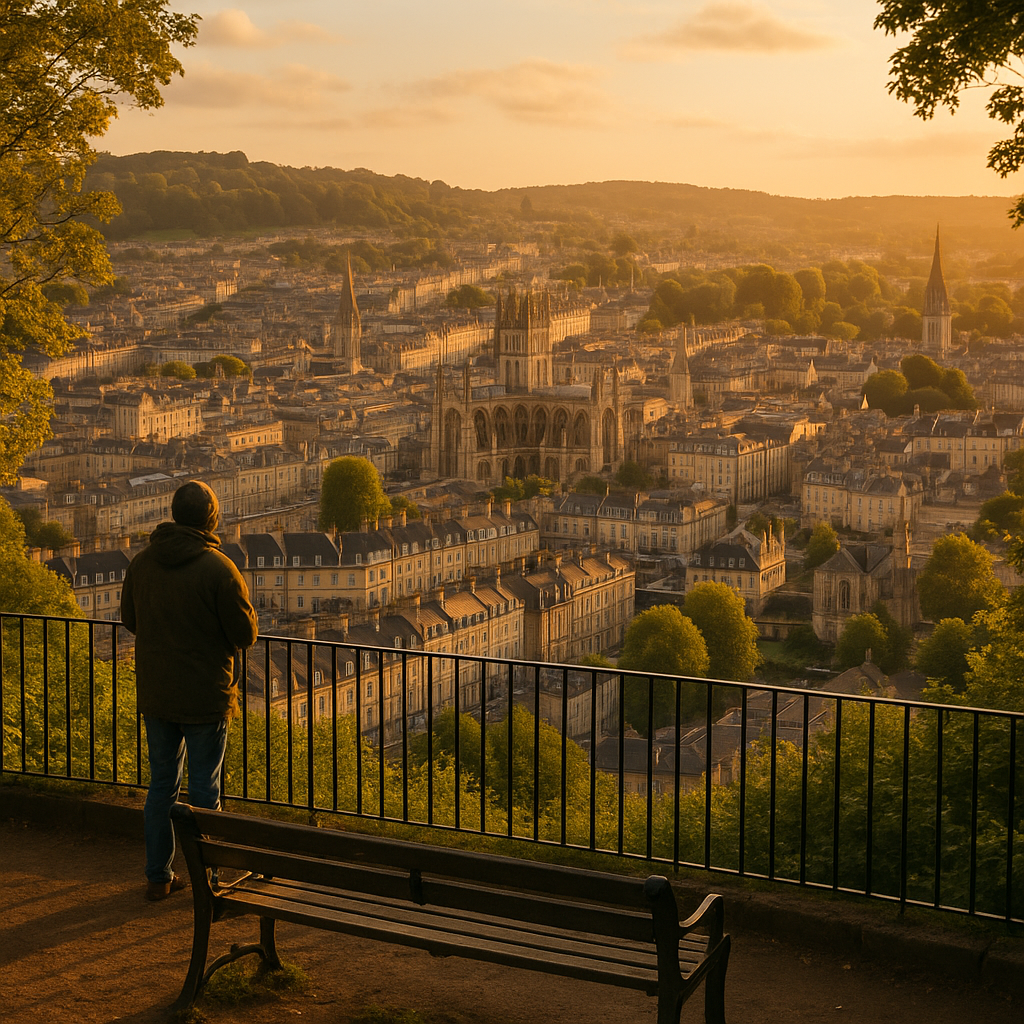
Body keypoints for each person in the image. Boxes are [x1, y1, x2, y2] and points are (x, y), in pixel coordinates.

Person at [121, 480, 258, 901]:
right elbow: (245, 633)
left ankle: (158, 877)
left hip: (157, 693)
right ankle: (209, 880)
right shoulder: (219, 568)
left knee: (161, 786)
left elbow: (130, 619)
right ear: (211, 519)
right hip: (205, 694)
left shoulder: (141, 563)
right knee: (205, 791)